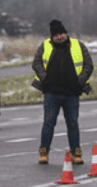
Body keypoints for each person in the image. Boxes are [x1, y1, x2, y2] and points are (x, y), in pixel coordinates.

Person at [31, 19, 93, 164]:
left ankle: (76, 154)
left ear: (66, 33)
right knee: (48, 123)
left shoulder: (78, 45)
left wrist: (79, 81)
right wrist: (45, 78)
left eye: (62, 34)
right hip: (51, 93)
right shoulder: (45, 46)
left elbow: (89, 65)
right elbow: (36, 63)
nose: (59, 37)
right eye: (56, 35)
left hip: (72, 93)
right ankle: (43, 153)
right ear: (52, 37)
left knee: (73, 124)